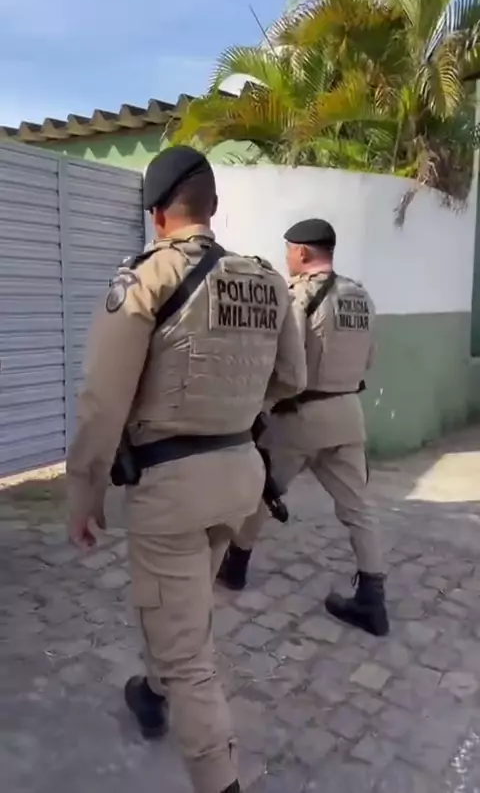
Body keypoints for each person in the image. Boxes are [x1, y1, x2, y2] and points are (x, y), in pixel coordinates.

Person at [66, 145, 306, 793]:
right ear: (213, 207)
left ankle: (218, 778)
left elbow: (102, 400)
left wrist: (84, 494)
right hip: (239, 475)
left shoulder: (147, 277)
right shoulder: (267, 280)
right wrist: (230, 411)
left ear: (156, 215)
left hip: (171, 488)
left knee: (191, 659)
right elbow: (293, 377)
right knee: (182, 607)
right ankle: (151, 691)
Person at [217, 218, 389, 638]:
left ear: (304, 252)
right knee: (359, 508)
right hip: (348, 415)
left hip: (300, 418)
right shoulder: (361, 296)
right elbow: (370, 360)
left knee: (262, 491)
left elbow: (287, 365)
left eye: (289, 251)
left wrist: (259, 406)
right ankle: (373, 597)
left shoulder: (298, 298)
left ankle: (236, 566)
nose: (287, 259)